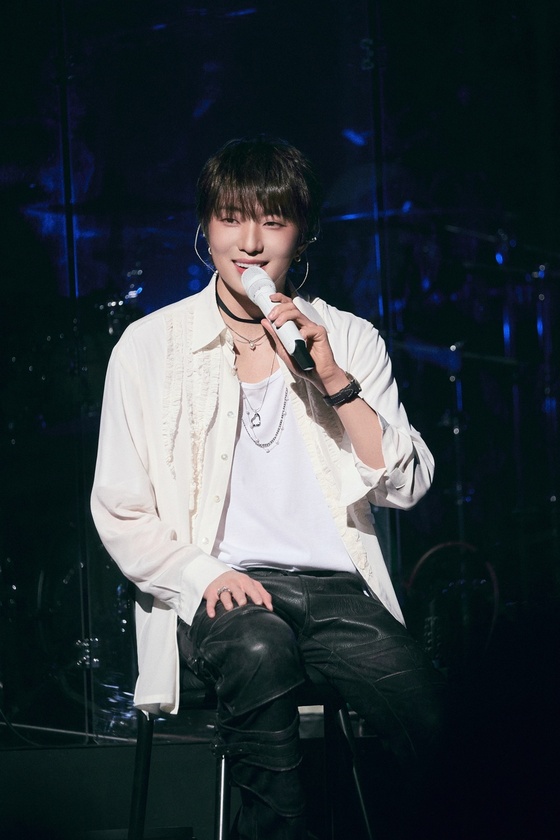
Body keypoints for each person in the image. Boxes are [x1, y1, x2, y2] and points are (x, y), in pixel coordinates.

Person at [91, 135, 446, 839]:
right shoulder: (149, 346)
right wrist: (205, 574)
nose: (250, 243)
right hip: (219, 594)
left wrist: (332, 378)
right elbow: (120, 509)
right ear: (205, 226)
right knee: (259, 651)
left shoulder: (348, 337)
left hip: (336, 592)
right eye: (231, 218)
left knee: (432, 715)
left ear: (301, 235)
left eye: (273, 222)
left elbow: (406, 486)